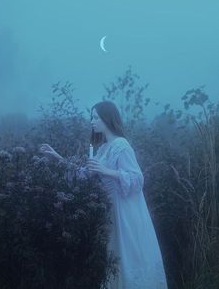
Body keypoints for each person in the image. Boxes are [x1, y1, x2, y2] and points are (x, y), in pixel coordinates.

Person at [40, 101, 168, 289]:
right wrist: (58, 158)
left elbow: (137, 179)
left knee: (129, 256)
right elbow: (84, 175)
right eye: (91, 117)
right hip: (109, 212)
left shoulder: (121, 145)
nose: (92, 121)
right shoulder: (103, 149)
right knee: (113, 260)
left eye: (95, 117)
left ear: (107, 118)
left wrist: (107, 171)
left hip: (125, 212)